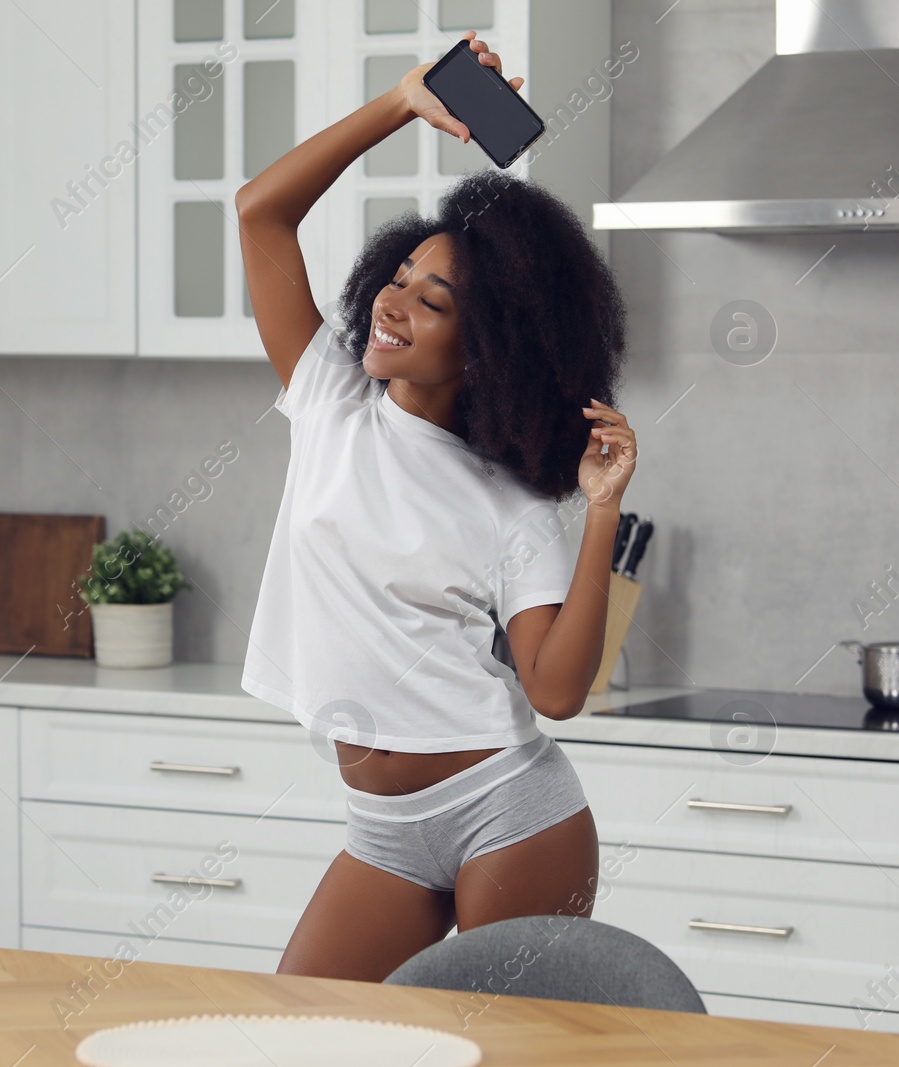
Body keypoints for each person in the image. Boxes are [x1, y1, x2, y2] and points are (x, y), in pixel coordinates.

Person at [235, 31, 638, 981]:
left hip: (509, 812)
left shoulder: (511, 502)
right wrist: (402, 104)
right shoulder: (329, 399)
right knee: (298, 1029)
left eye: (436, 300)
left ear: (487, 346)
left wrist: (602, 513)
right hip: (381, 829)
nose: (394, 300)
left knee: (505, 1055)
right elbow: (260, 213)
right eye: (401, 276)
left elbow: (555, 692)